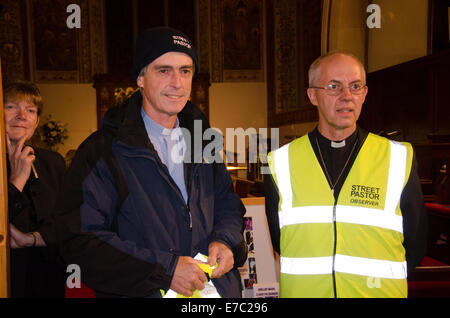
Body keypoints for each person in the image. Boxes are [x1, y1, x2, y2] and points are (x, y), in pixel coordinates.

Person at [56, 27, 246, 298]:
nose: (177, 83)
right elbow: (81, 240)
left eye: (185, 70)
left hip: (211, 293)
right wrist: (164, 270)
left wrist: (226, 242)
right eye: (163, 70)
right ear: (141, 78)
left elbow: (227, 203)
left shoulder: (204, 141)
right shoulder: (103, 150)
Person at [264, 51, 427, 298]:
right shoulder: (279, 162)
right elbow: (280, 240)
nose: (346, 96)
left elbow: (415, 242)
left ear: (365, 94)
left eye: (355, 86)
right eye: (334, 87)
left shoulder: (398, 157)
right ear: (313, 96)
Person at [4, 82, 66, 298]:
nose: (22, 115)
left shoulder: (53, 162)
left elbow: (70, 219)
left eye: (30, 110)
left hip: (50, 278)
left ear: (37, 121)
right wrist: (17, 181)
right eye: (11, 106)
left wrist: (31, 238)